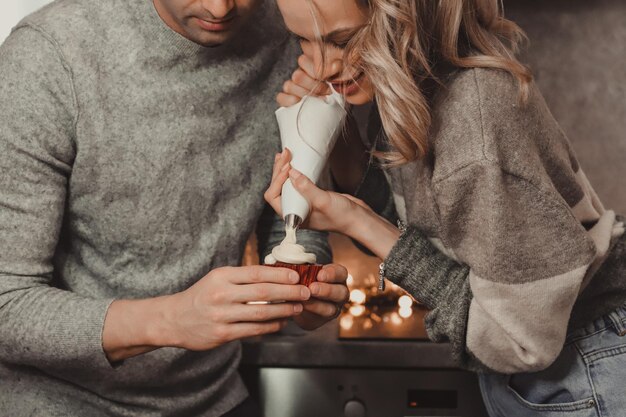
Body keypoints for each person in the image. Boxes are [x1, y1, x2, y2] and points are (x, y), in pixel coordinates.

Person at [266, 0, 626, 416]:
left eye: (342, 40)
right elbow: (421, 234)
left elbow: (518, 340)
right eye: (303, 41)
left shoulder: (474, 117)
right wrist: (338, 138)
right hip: (543, 360)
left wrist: (358, 222)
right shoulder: (410, 91)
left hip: (586, 359)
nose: (318, 67)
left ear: (410, 16)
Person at [0, 0, 350, 416]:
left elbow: (292, 213)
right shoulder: (49, 55)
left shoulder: (293, 34)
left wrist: (305, 291)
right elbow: (7, 304)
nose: (220, 8)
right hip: (55, 399)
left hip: (213, 397)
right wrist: (174, 319)